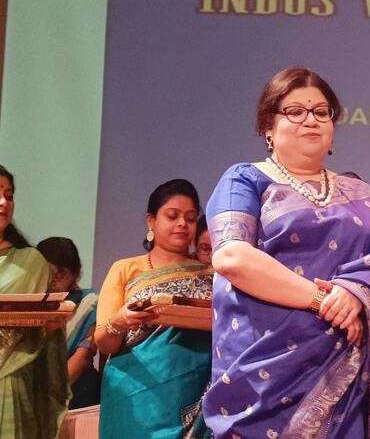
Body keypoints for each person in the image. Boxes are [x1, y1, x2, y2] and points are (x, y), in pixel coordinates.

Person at [202, 66, 370, 438]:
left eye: (321, 112)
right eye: (295, 111)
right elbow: (232, 257)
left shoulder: (361, 192)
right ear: (268, 127)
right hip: (268, 369)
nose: (310, 120)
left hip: (349, 362)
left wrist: (354, 292)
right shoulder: (245, 180)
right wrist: (324, 300)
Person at [94, 178, 213, 438]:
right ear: (151, 221)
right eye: (172, 216)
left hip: (194, 393)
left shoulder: (211, 274)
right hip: (135, 394)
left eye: (190, 218)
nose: (182, 224)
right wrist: (120, 321)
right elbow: (104, 343)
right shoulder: (126, 269)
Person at [0, 164, 70, 438]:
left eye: (9, 195)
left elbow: (40, 334)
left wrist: (52, 325)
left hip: (8, 381)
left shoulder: (30, 262)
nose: (4, 202)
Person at [37, 236, 101, 409]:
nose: (53, 284)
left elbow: (83, 357)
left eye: (60, 277)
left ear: (76, 273)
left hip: (75, 392)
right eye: (47, 275)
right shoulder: (27, 304)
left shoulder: (88, 304)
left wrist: (48, 396)